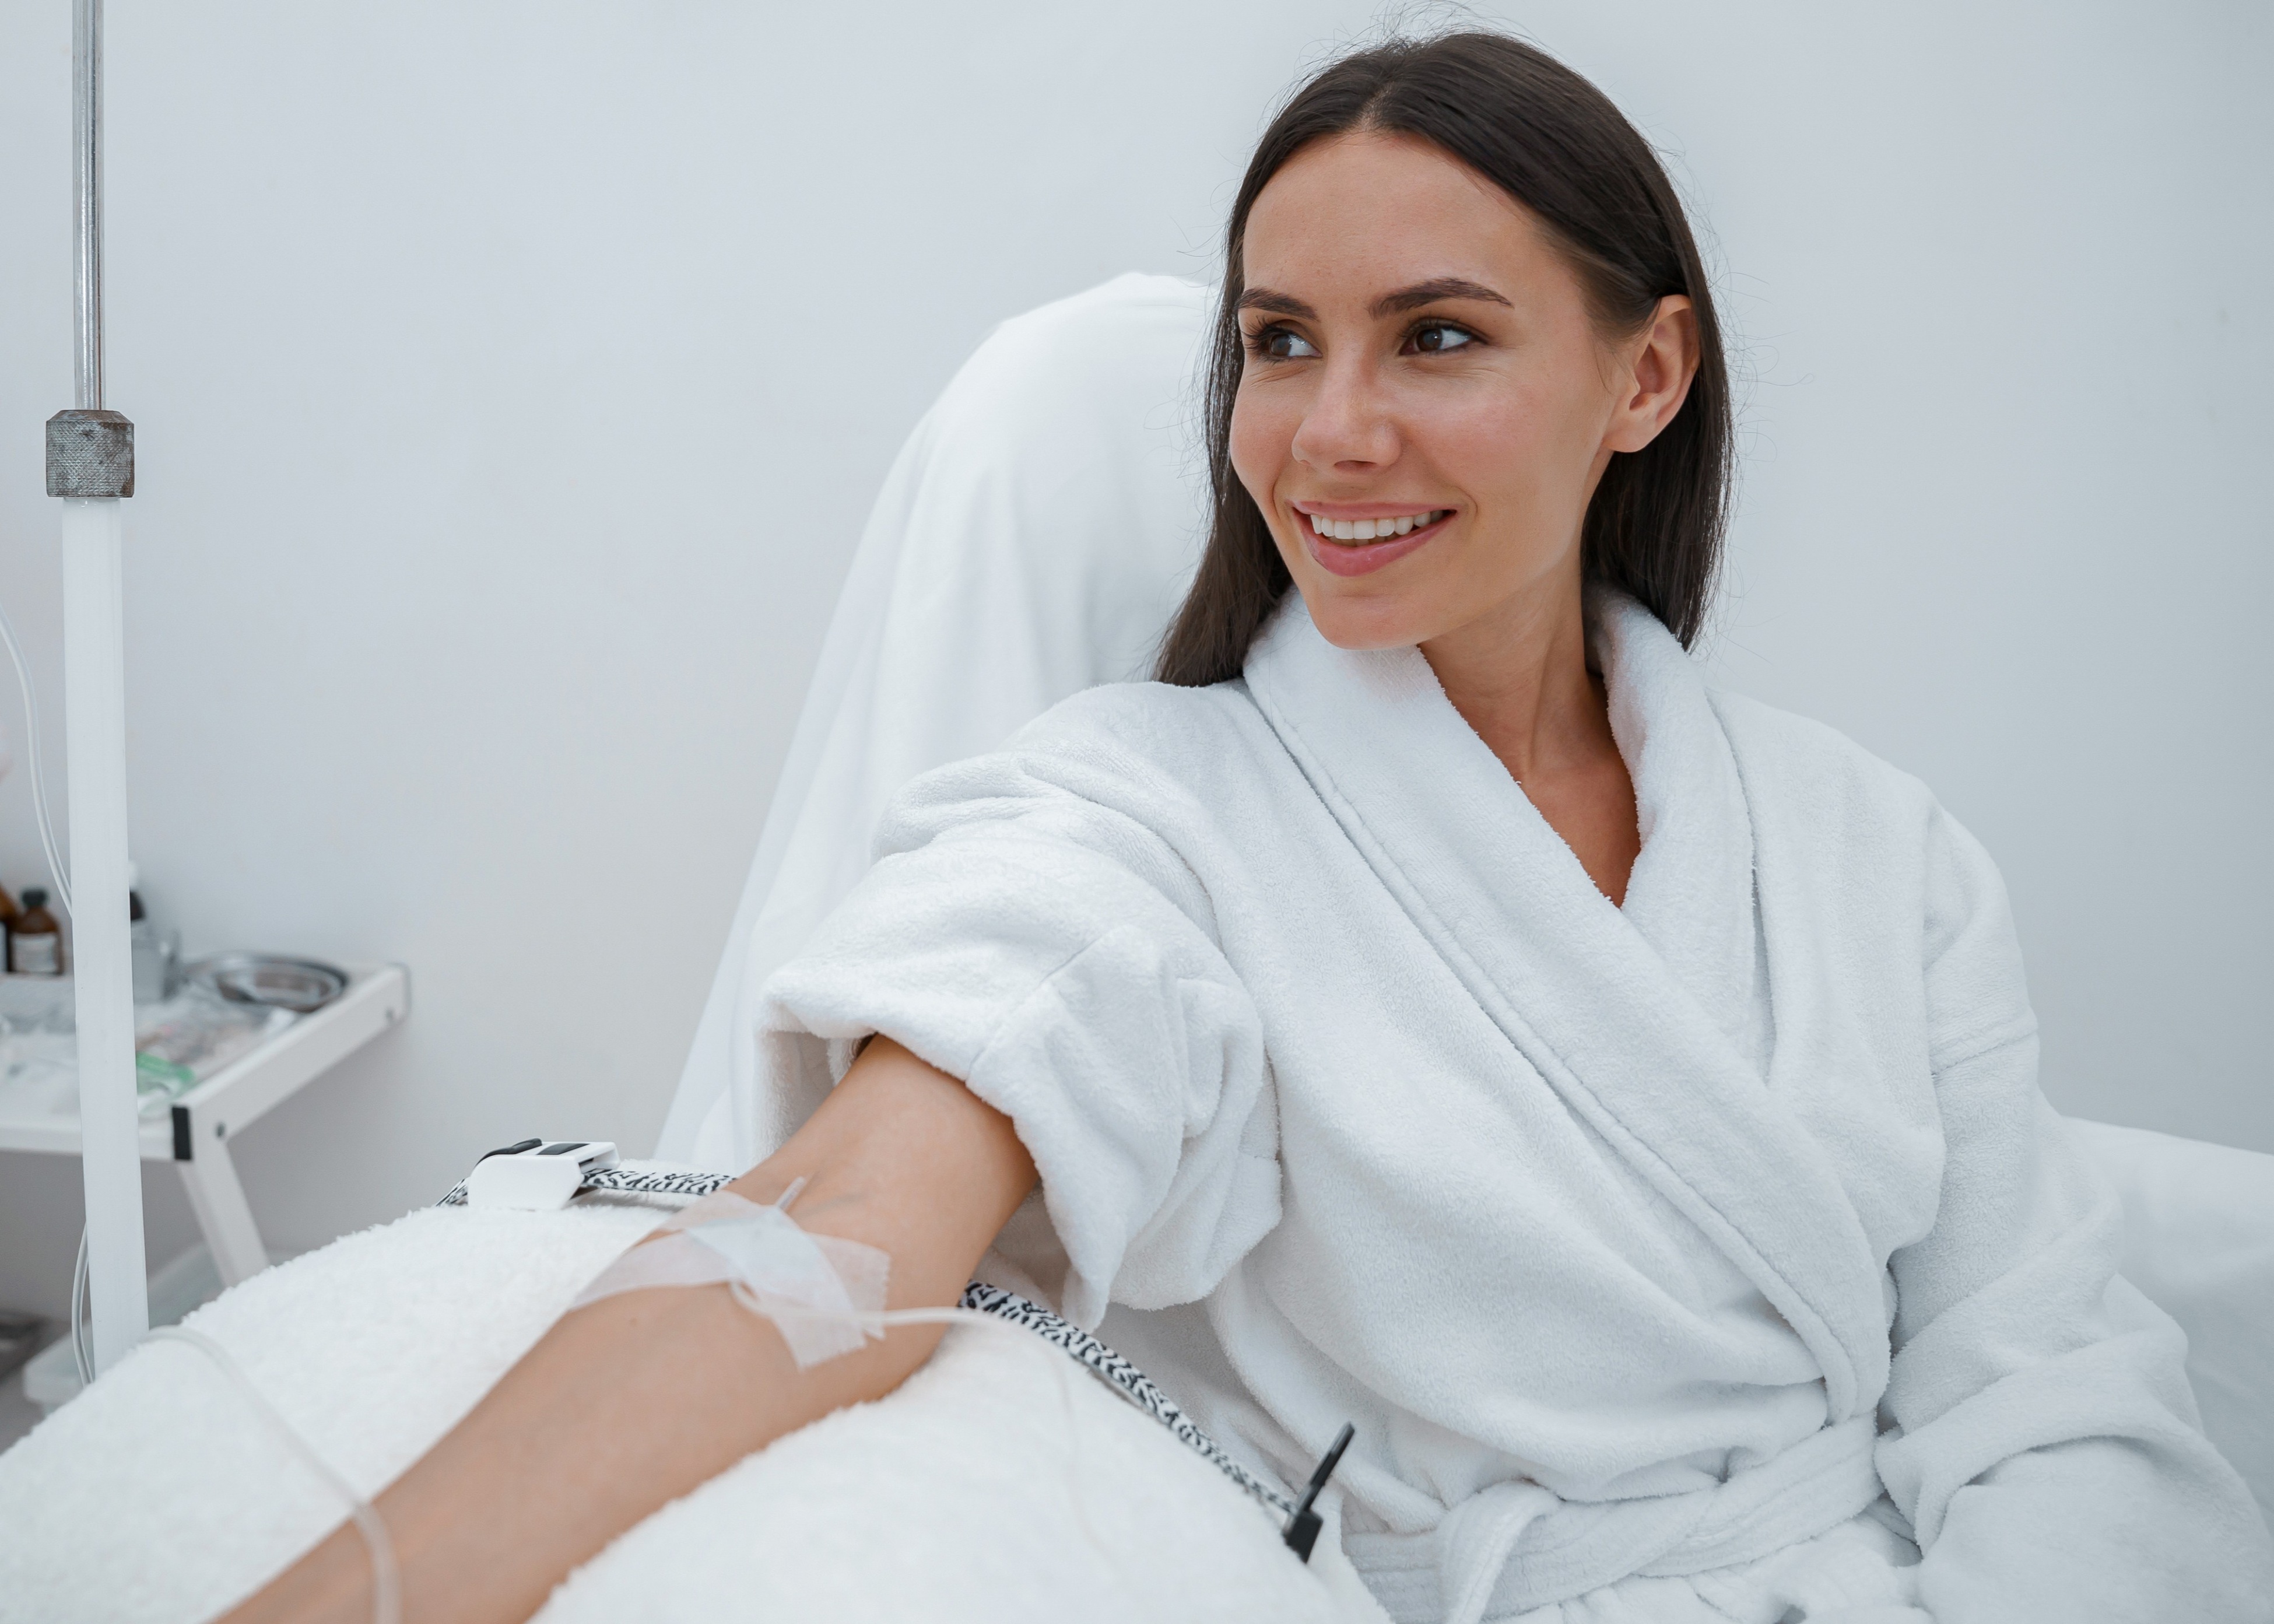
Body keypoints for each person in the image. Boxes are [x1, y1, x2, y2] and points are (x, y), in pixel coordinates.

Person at [222, 31, 2273, 1624]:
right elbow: (845, 1221)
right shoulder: (1146, 818)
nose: (1327, 429)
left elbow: (2046, 1383)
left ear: (1644, 373)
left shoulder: (1872, 852)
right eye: (1274, 342)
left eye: (1435, 336)